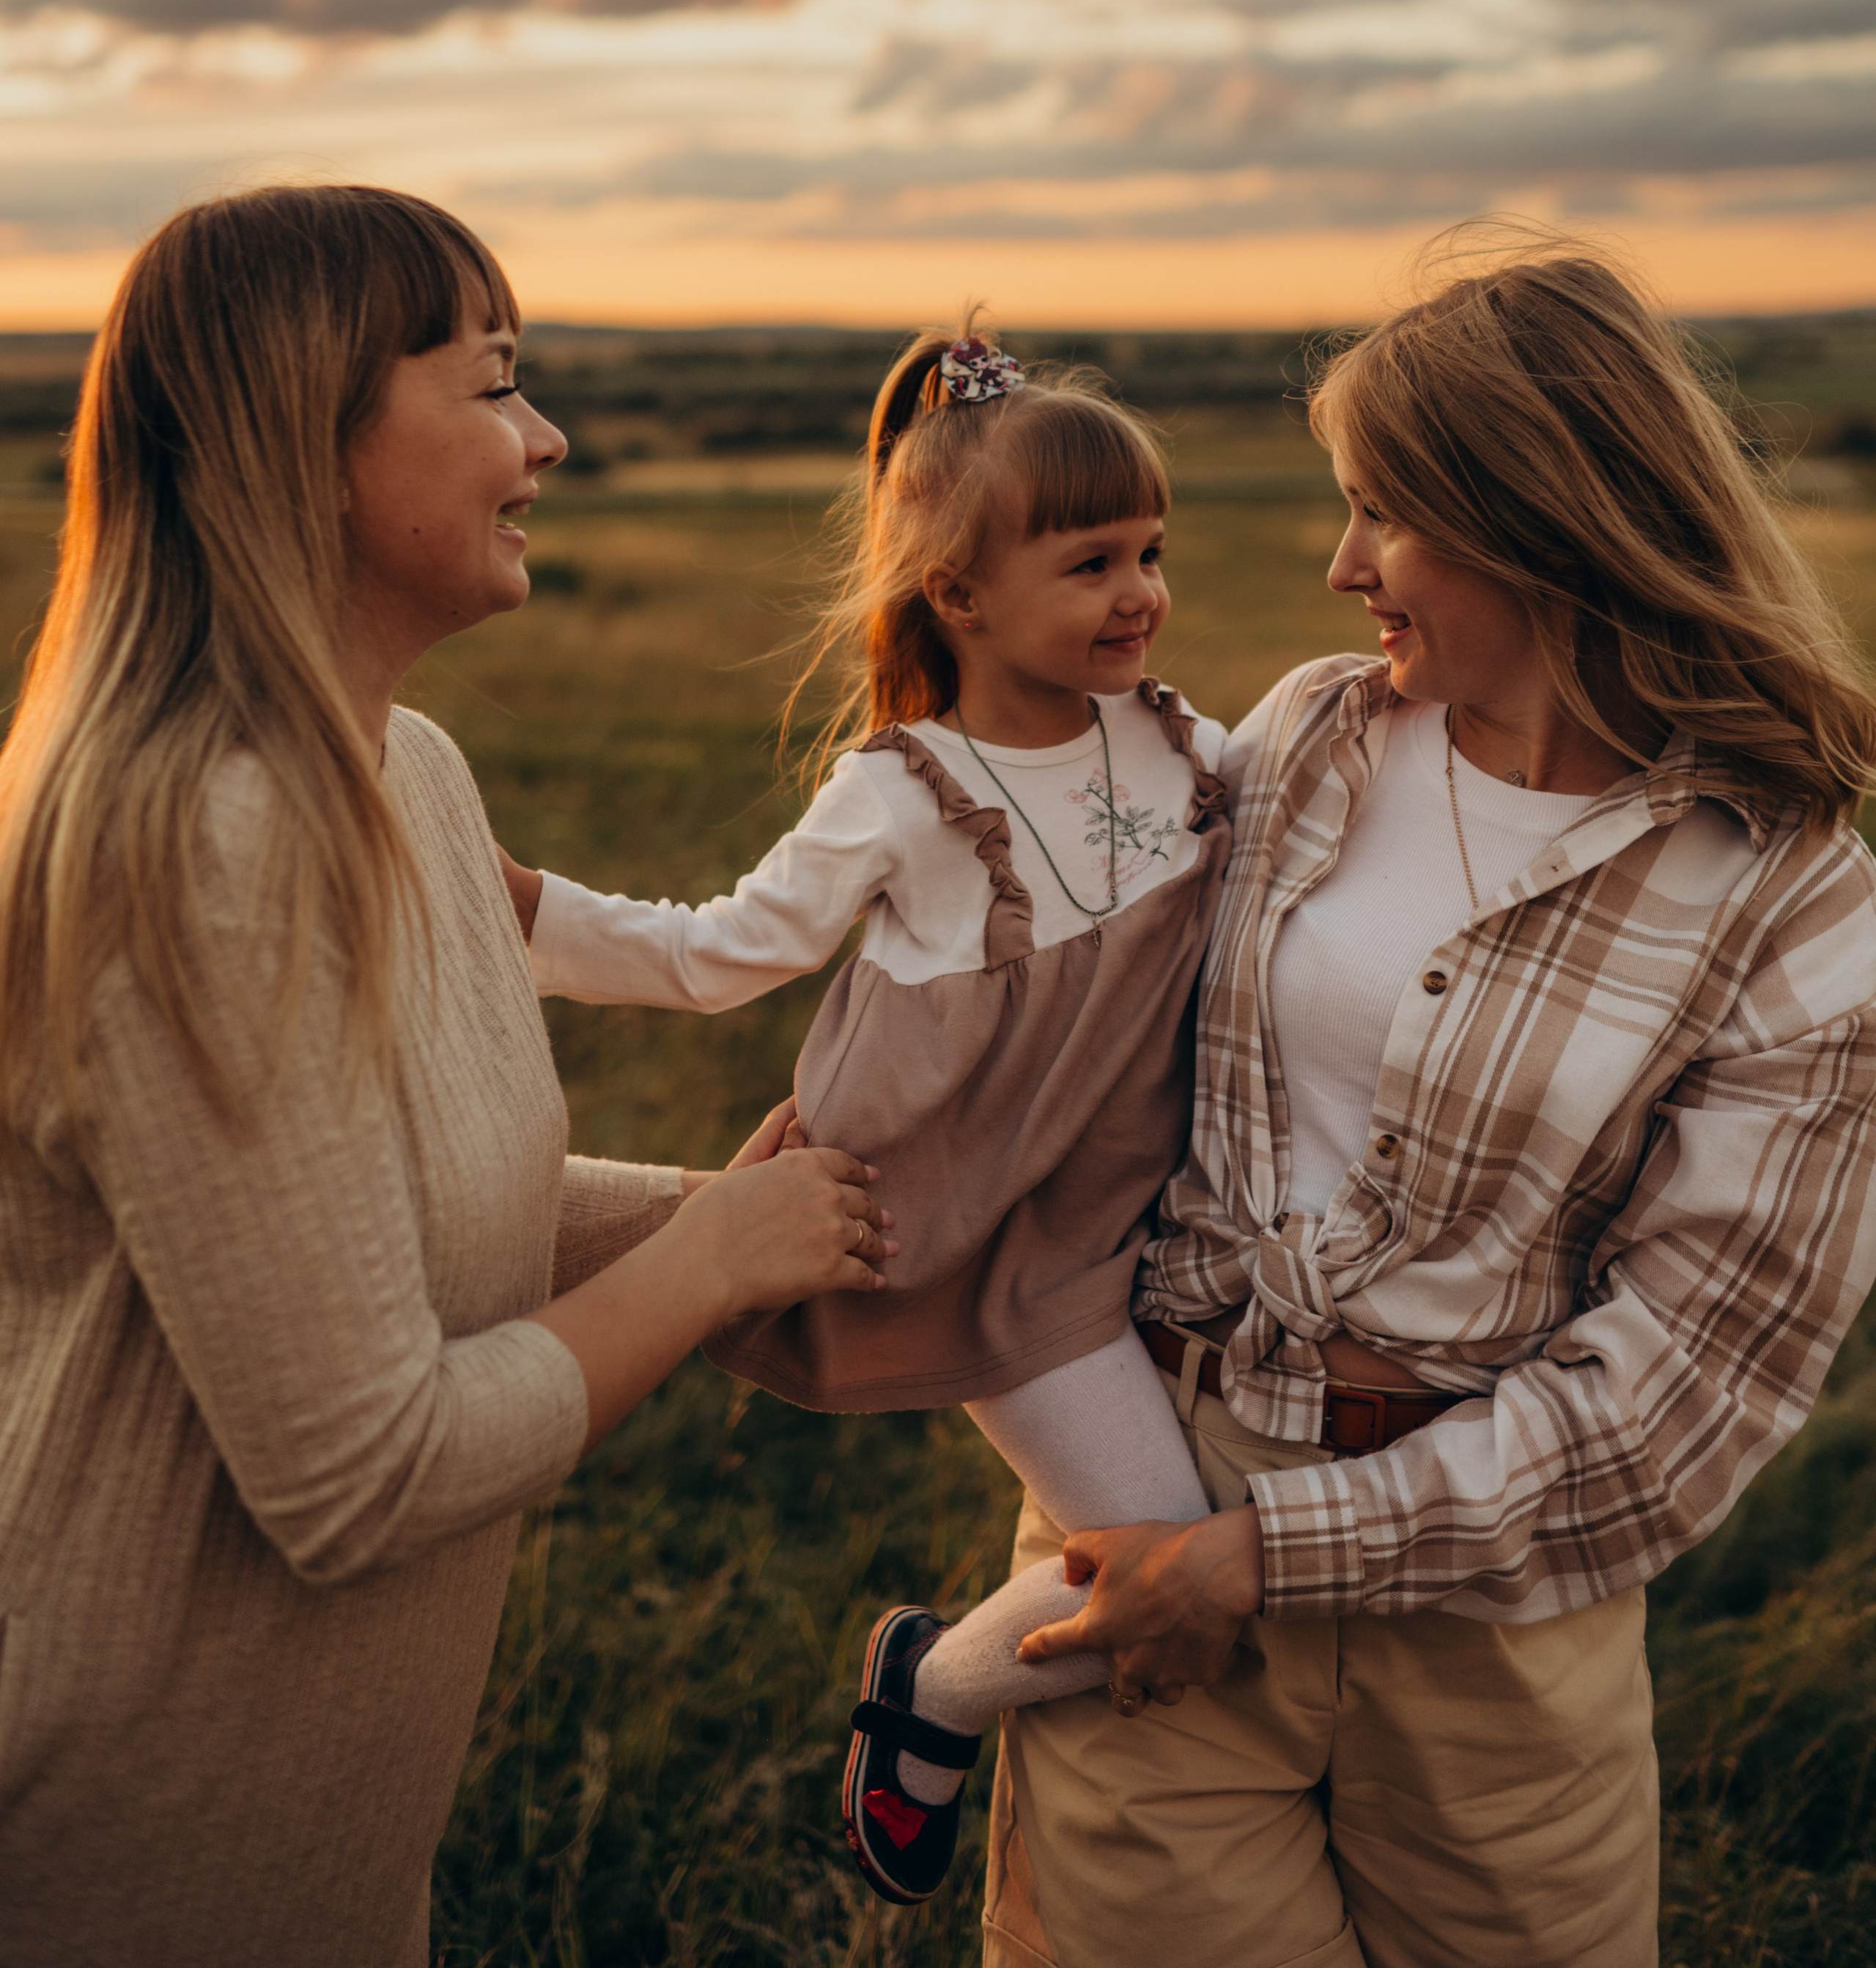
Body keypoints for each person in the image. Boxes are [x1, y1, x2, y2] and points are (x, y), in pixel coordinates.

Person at [0, 185, 890, 1968]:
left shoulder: (404, 773)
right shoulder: (207, 841)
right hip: (142, 1825)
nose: (545, 434)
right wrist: (712, 1265)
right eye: (490, 386)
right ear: (308, 434)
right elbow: (356, 1478)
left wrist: (761, 1222)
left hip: (322, 1815)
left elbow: (383, 1203)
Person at [986, 243, 1876, 1968]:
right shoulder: (1310, 740)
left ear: (1537, 519)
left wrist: (1265, 1558)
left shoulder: (1790, 898)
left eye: (1380, 514)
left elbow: (1688, 1387)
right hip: (1147, 1507)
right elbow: (1072, 1006)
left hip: (1493, 1617)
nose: (1337, 569)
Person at [498, 325, 1233, 1903]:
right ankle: (933, 1693)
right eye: (1090, 561)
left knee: (1191, 1550)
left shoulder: (1183, 745)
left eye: (1149, 553)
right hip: (979, 1247)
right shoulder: (901, 792)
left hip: (1149, 1221)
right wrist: (520, 909)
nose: (1136, 593)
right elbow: (715, 958)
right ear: (958, 594)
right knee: (1165, 1563)